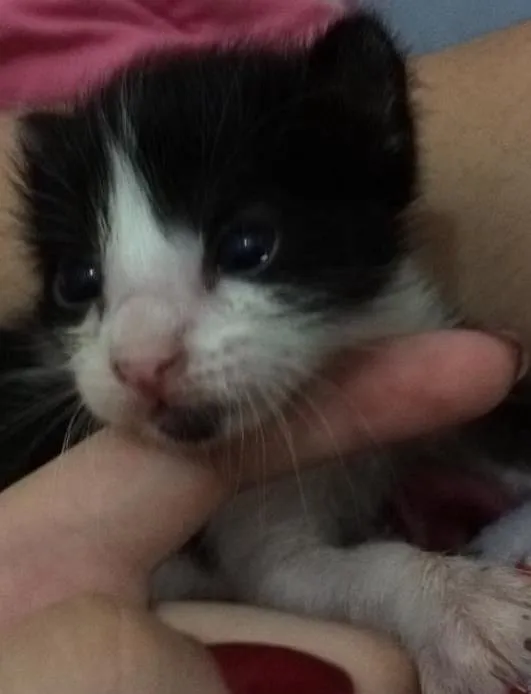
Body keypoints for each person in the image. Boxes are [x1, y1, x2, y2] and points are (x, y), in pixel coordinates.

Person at [0, 14, 530, 694]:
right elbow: (278, 564)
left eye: (243, 250)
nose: (137, 355)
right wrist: (415, 593)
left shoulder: (406, 324)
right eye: (83, 285)